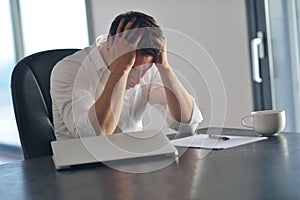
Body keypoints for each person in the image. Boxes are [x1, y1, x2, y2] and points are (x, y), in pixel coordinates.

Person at [50, 11, 203, 140]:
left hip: (132, 165)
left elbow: (187, 125)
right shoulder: (68, 70)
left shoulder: (146, 66)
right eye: (132, 69)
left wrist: (165, 68)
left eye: (143, 71)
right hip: (81, 171)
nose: (137, 81)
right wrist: (120, 70)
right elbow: (94, 137)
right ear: (110, 44)